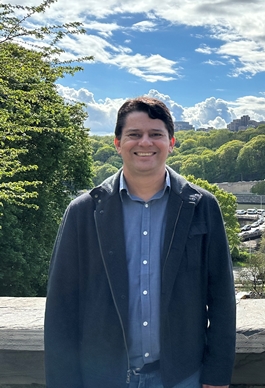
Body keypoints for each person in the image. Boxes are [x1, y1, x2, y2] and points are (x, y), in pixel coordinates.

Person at [44, 96, 236, 388]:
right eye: (134, 134)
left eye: (156, 134)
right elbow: (62, 306)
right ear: (117, 143)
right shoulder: (83, 212)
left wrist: (217, 373)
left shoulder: (202, 207)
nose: (145, 142)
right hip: (102, 378)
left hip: (182, 377)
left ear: (171, 143)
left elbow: (221, 296)